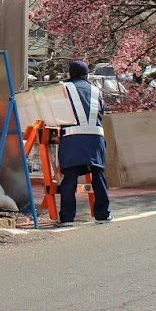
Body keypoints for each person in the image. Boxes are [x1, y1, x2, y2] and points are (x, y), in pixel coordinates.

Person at [57, 59, 112, 225]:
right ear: (86, 74)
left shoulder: (63, 89)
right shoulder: (97, 90)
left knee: (70, 177)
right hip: (95, 139)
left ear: (69, 74)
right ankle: (103, 215)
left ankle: (67, 217)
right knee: (98, 175)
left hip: (72, 138)